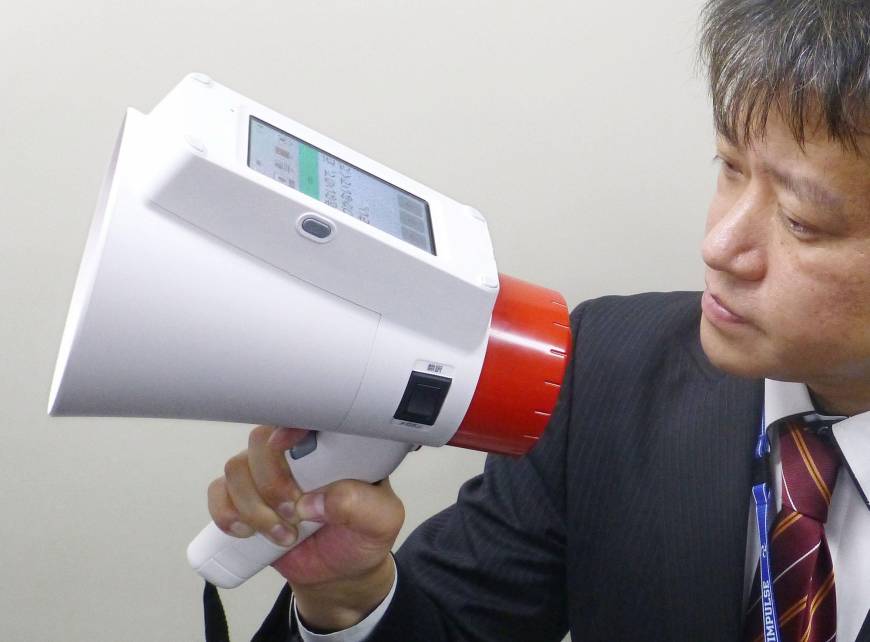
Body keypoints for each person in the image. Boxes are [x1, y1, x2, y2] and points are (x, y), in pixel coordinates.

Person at [204, 1, 870, 640]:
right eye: (729, 167)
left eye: (800, 221)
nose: (719, 246)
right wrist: (348, 598)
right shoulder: (606, 370)